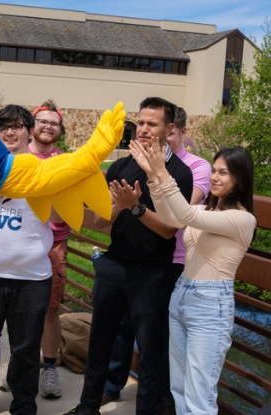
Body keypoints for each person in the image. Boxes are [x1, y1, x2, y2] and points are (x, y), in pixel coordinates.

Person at [65, 97, 193, 415]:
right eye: (141, 122)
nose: (144, 129)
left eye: (153, 124)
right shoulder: (122, 166)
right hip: (114, 264)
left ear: (170, 129)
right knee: (100, 342)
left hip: (152, 273)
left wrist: (135, 207)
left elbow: (168, 230)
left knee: (150, 353)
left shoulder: (179, 173)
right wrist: (120, 205)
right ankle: (87, 407)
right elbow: (98, 222)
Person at [130, 141, 256, 415]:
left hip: (211, 306)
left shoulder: (242, 219)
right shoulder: (206, 211)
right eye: (214, 170)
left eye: (224, 172)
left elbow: (184, 213)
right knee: (179, 388)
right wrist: (152, 176)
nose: (214, 177)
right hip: (182, 297)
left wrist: (163, 172)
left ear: (240, 178)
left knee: (199, 395)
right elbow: (172, 217)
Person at [101, 107, 211, 407]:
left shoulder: (193, 168)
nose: (149, 132)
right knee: (122, 330)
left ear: (177, 131)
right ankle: (112, 384)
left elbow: (181, 214)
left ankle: (162, 397)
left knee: (157, 338)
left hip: (174, 260)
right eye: (142, 124)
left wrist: (156, 174)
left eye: (161, 128)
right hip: (128, 258)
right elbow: (104, 215)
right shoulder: (131, 164)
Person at [0, 104, 58, 414]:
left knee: (26, 348)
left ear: (30, 131)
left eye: (16, 126)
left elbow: (59, 214)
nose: (9, 132)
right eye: (3, 127)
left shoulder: (45, 170)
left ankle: (24, 403)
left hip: (32, 278)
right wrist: (1, 191)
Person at [32, 99, 72, 400]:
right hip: (17, 242)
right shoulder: (16, 157)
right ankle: (22, 366)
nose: (47, 126)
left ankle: (48, 369)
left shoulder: (65, 162)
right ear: (32, 125)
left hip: (54, 244)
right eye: (42, 121)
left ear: (60, 131)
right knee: (12, 310)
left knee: (50, 309)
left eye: (53, 123)